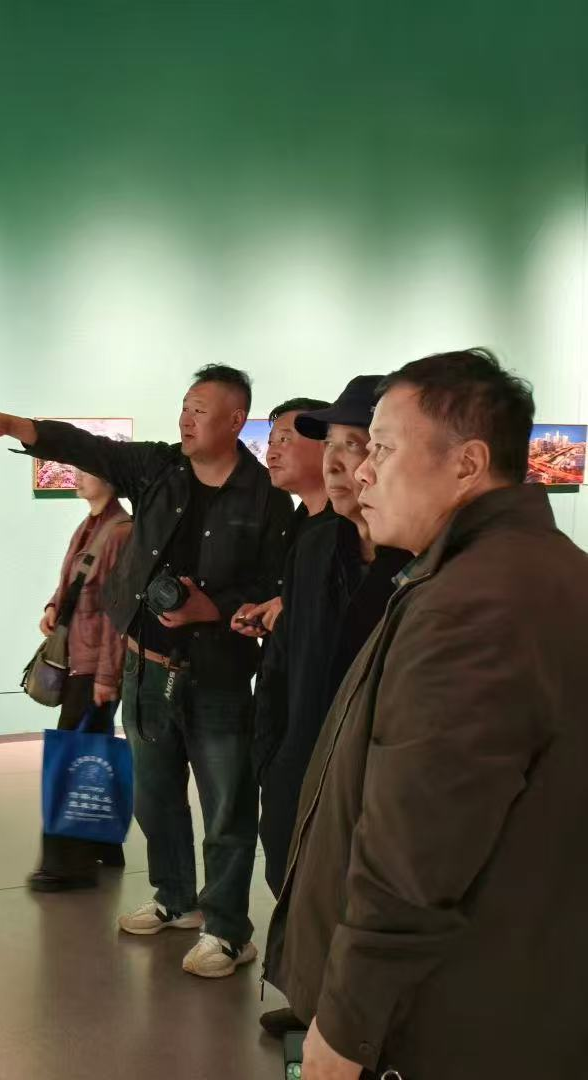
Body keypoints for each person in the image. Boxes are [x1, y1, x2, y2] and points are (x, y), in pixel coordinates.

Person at [266, 350, 588, 1079]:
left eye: (380, 448)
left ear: (467, 463)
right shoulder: (521, 569)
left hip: (452, 1016)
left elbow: (413, 856)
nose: (361, 472)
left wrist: (344, 1029)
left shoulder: (473, 605)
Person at [0, 364, 292, 979]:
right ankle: (175, 898)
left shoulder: (267, 498)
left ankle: (226, 929)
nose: (185, 419)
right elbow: (90, 448)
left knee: (226, 808)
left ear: (236, 419)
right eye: (184, 406)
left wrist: (212, 608)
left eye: (199, 410)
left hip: (217, 674)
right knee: (155, 796)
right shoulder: (160, 469)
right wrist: (17, 426)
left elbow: (273, 585)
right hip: (145, 666)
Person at [242, 377, 411, 1039]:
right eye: (333, 445)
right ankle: (314, 999)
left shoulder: (419, 563)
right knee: (297, 885)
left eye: (358, 444)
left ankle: (356, 1028)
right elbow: (282, 662)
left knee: (363, 900)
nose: (340, 462)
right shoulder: (314, 547)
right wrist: (270, 755)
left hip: (374, 778)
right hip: (299, 763)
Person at [28, 469, 133, 892]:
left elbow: (116, 613)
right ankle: (105, 846)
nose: (77, 477)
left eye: (87, 471)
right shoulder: (90, 526)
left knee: (73, 759)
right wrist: (53, 607)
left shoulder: (120, 532)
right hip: (79, 658)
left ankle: (67, 864)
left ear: (111, 480)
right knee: (94, 753)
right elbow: (72, 584)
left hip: (94, 667)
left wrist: (107, 676)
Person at [234, 398, 331, 634]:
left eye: (285, 440)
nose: (271, 454)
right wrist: (263, 610)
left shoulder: (351, 528)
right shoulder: (298, 522)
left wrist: (290, 614)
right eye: (271, 442)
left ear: (328, 444)